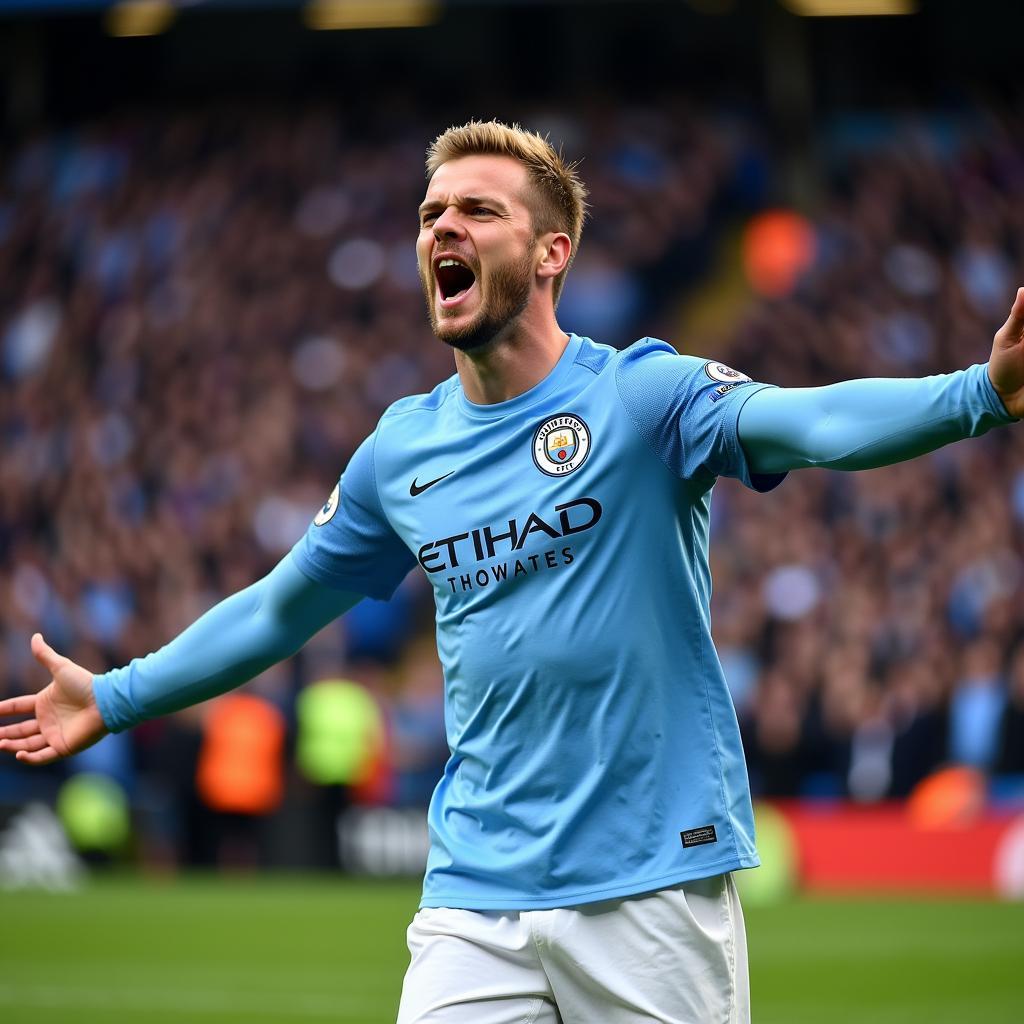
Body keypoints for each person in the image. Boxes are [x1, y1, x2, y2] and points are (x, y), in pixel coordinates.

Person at [2, 119, 1022, 1023]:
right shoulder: (401, 450)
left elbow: (810, 421)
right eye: (431, 211)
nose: (442, 227)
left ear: (548, 254)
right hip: (474, 891)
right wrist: (121, 693)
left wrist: (979, 392)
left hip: (649, 881)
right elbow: (278, 608)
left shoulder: (641, 395)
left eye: (477, 211)